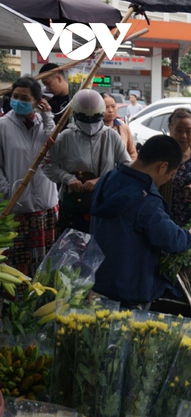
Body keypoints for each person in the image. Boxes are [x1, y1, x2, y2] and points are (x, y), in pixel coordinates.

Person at [90, 135, 191, 308]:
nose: (167, 180)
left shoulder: (109, 178)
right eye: (170, 175)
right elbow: (171, 239)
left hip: (99, 278)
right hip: (130, 287)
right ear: (162, 167)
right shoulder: (145, 199)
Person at [43, 89, 131, 234]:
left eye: (95, 118)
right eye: (84, 119)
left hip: (104, 202)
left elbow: (126, 167)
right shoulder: (65, 137)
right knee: (71, 249)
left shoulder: (112, 136)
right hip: (72, 204)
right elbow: (47, 164)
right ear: (76, 116)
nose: (90, 125)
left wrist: (101, 180)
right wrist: (68, 178)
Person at [0, 76, 58, 276]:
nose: (17, 101)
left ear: (37, 101)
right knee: (17, 270)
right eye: (14, 97)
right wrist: (7, 190)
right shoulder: (3, 125)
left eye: (24, 98)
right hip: (16, 209)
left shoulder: (46, 124)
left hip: (45, 206)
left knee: (45, 269)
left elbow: (55, 150)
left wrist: (49, 117)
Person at [101, 93, 137, 160]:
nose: (111, 110)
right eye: (106, 107)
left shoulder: (124, 127)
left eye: (113, 106)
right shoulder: (95, 129)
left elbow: (132, 153)